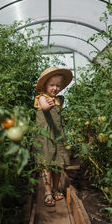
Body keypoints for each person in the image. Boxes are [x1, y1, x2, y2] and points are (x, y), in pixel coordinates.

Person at [33, 66, 73, 207]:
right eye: (52, 85)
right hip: (45, 136)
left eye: (58, 85)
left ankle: (56, 189)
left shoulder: (59, 99)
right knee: (46, 164)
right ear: (45, 85)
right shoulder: (42, 98)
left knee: (58, 165)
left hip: (58, 135)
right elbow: (44, 107)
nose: (55, 88)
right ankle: (48, 192)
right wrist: (48, 104)